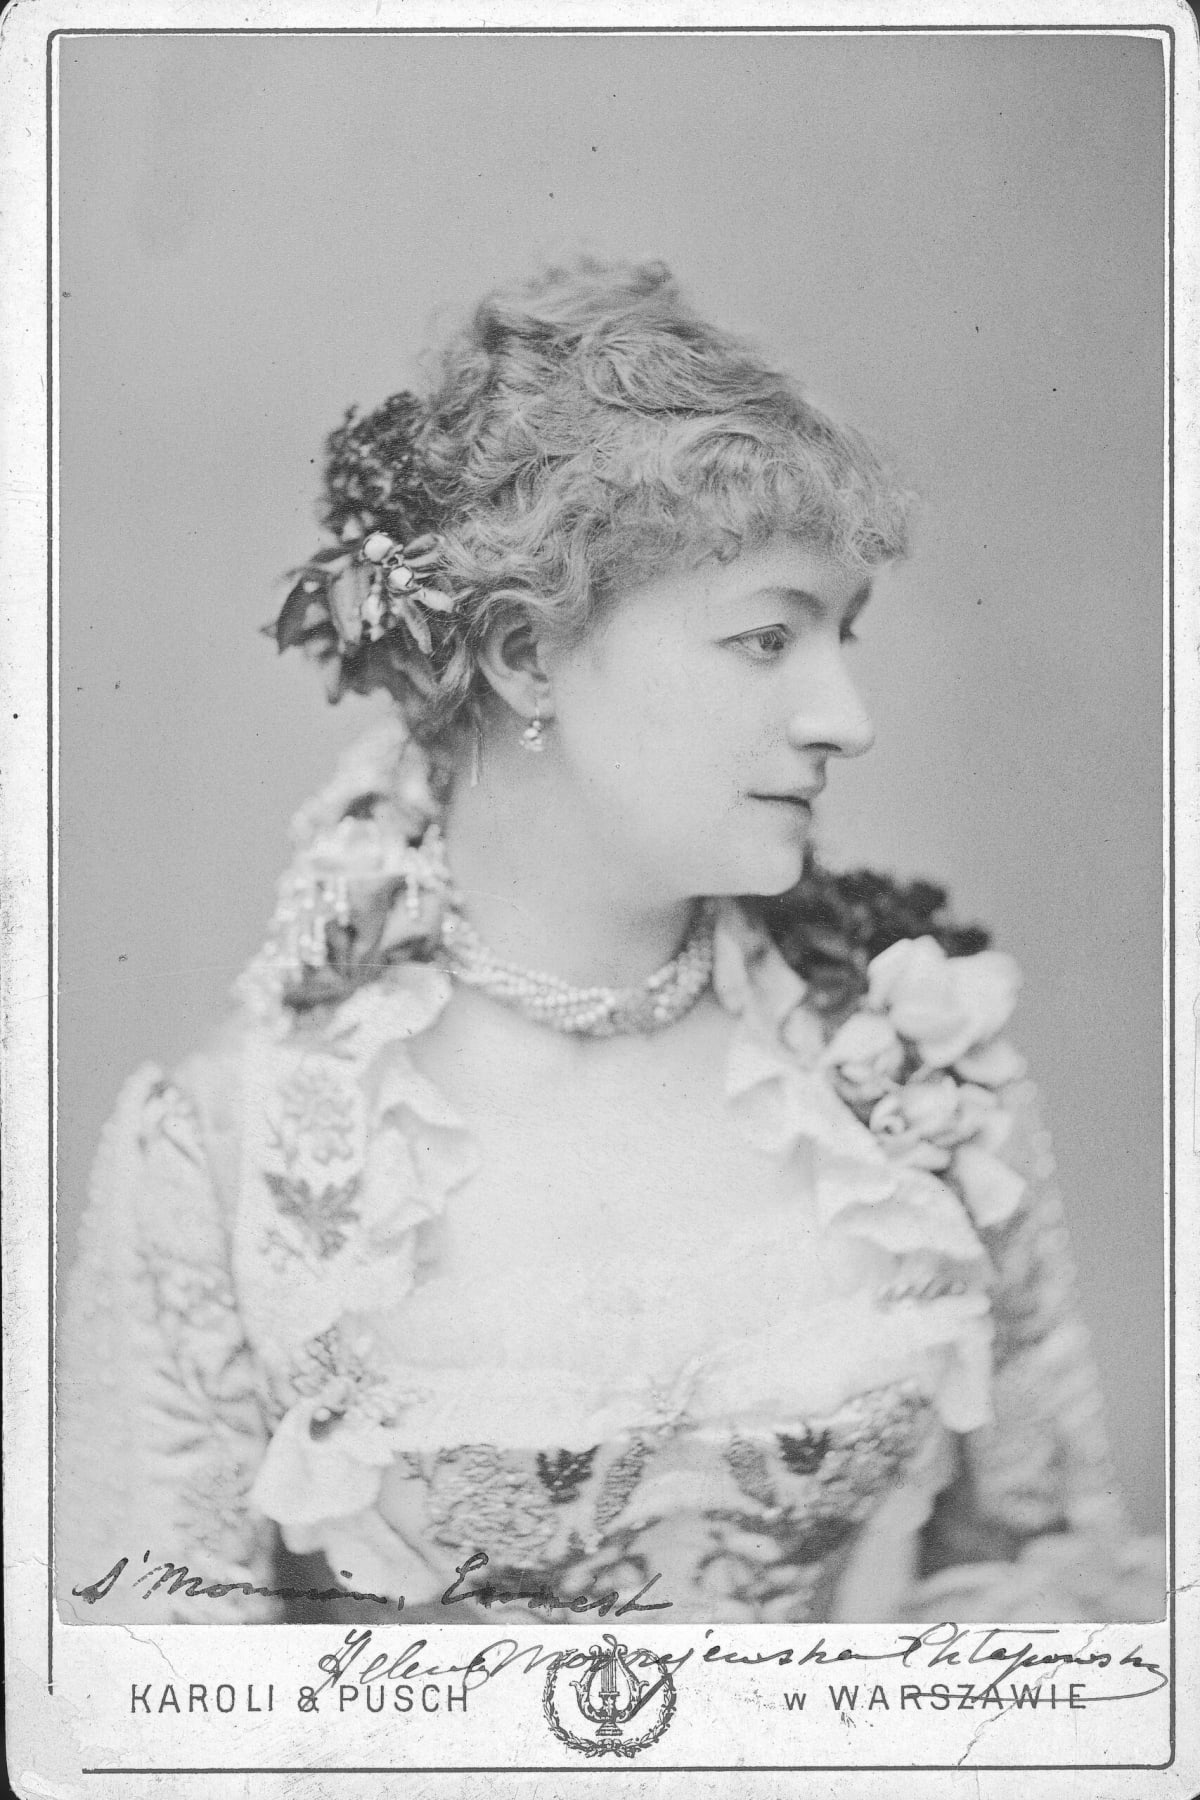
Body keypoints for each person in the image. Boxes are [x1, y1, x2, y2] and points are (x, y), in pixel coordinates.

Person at [58, 259, 1160, 1627]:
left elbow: (1048, 1579)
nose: (846, 717)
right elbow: (150, 1693)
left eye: (844, 638)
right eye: (767, 639)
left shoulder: (915, 1087)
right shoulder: (243, 1158)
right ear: (527, 656)